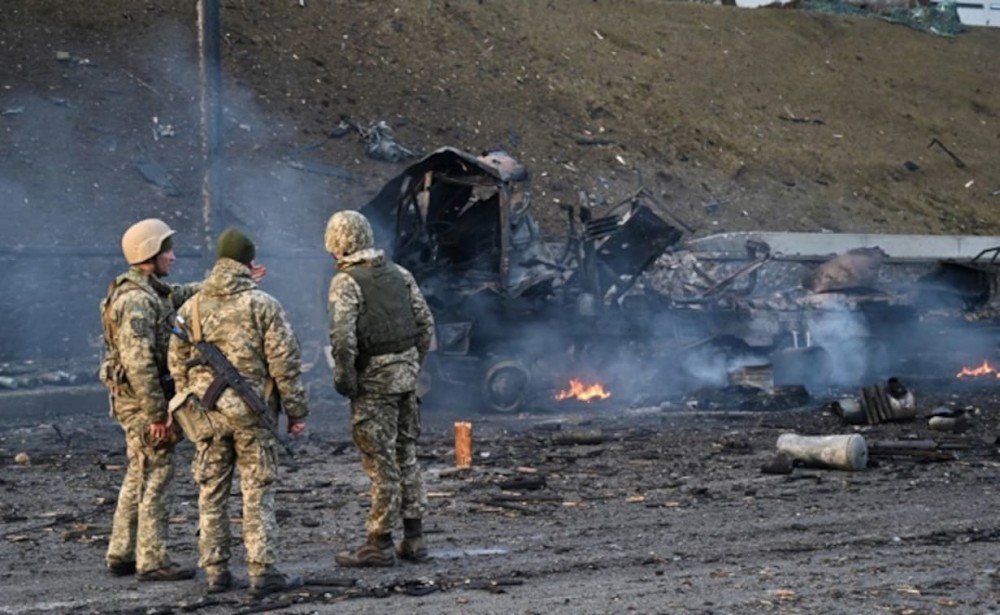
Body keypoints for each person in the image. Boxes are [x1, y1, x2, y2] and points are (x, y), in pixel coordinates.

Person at [167, 227, 308, 598]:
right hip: (252, 416)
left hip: (206, 417)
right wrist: (296, 413)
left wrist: (190, 399)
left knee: (211, 491)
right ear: (249, 262)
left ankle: (215, 571)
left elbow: (175, 363)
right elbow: (285, 365)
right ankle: (262, 570)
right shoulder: (263, 305)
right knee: (257, 490)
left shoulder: (190, 307)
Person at [324, 210, 435, 567]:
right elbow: (425, 324)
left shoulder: (346, 283)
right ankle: (415, 538)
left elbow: (343, 340)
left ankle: (379, 542)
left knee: (381, 462)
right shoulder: (400, 274)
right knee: (407, 455)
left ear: (336, 245)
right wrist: (411, 366)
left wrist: (347, 381)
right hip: (406, 380)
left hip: (374, 385)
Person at [99, 218, 199, 581]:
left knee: (139, 471)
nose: (172, 257)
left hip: (140, 399)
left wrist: (230, 281)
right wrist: (158, 414)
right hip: (143, 402)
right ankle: (153, 560)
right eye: (166, 250)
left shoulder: (148, 291)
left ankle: (122, 553)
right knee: (157, 474)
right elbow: (139, 363)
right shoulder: (138, 302)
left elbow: (182, 293)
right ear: (150, 254)